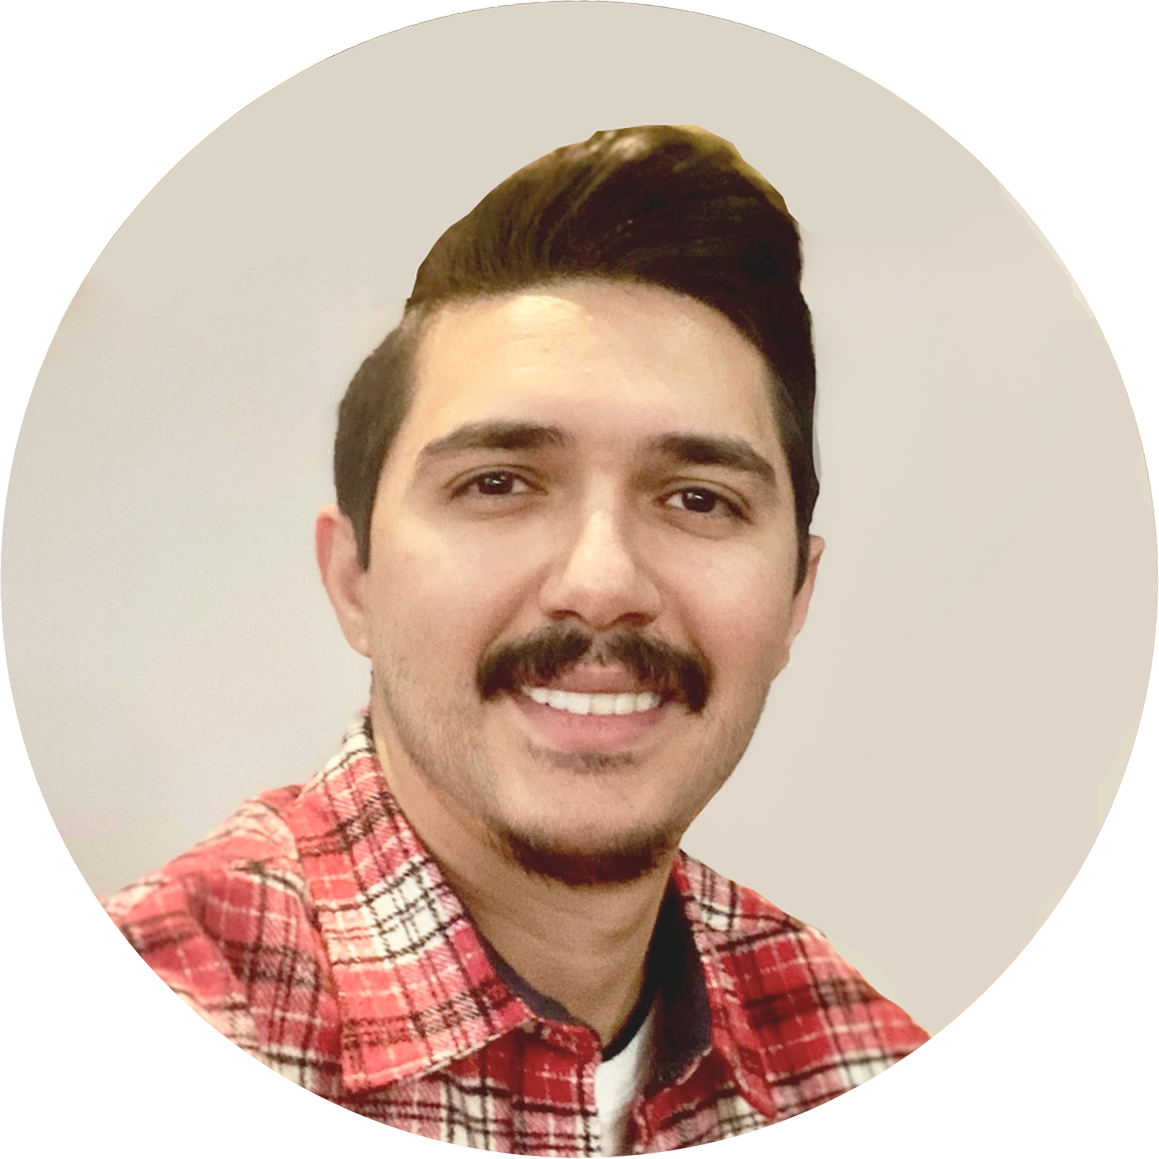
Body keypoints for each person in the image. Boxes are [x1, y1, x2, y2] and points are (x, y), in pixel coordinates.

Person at [107, 125, 930, 1155]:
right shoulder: (134, 1015)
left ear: (796, 597)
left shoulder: (858, 1054)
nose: (602, 582)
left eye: (697, 497)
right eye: (498, 483)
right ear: (354, 578)